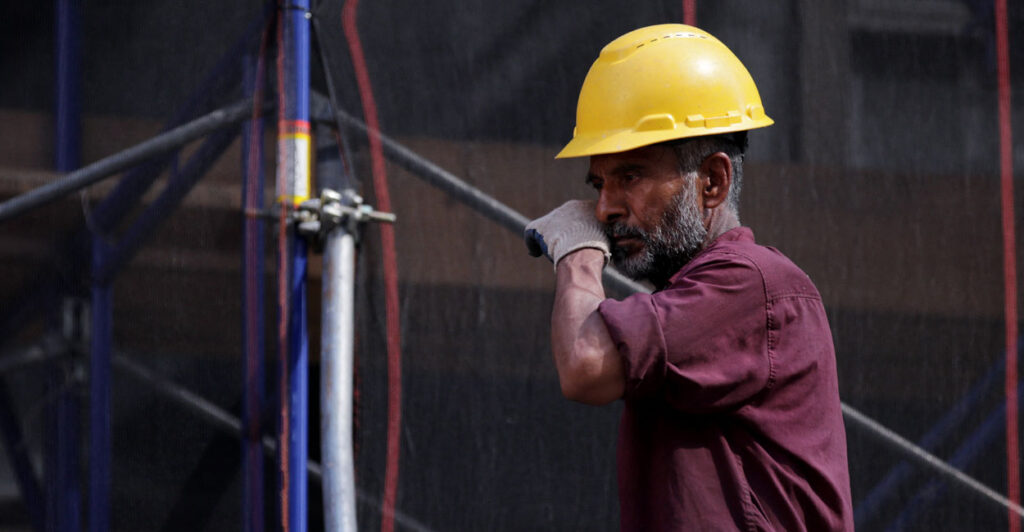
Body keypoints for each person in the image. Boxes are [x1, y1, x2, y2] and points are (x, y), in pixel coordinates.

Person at [524, 24, 853, 531]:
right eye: (598, 184)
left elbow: (585, 365)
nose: (605, 208)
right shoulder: (701, 298)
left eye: (630, 176)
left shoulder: (750, 283)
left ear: (713, 181)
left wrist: (578, 253)